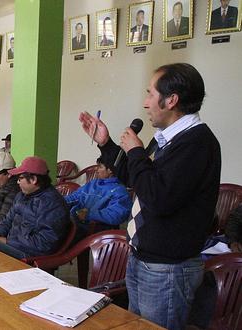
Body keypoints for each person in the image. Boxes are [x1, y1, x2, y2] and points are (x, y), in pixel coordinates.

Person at [78, 63, 221, 329]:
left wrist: (136, 152)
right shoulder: (167, 138)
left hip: (168, 268)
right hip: (144, 260)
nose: (145, 104)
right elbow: (136, 180)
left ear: (171, 100)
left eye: (150, 94)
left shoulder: (197, 142)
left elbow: (159, 199)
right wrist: (106, 144)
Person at [0, 157, 70, 259]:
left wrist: (7, 241)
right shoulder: (22, 195)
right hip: (14, 245)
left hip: (29, 254)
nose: (17, 182)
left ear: (34, 179)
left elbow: (44, 244)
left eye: (20, 179)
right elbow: (7, 220)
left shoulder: (52, 203)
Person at [65, 156, 132, 243]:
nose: (96, 169)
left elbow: (117, 215)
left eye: (100, 167)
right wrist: (58, 201)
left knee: (58, 234)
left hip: (98, 231)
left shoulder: (119, 190)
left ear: (110, 170)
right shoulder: (93, 183)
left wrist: (88, 214)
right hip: (79, 223)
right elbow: (75, 196)